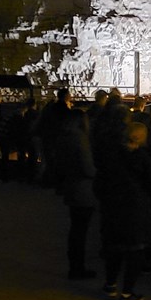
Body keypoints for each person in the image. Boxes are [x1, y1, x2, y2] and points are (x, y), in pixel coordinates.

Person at [94, 119, 151, 300]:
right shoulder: (143, 159)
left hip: (112, 209)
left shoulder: (110, 156)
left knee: (114, 248)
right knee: (135, 252)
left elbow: (99, 183)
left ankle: (110, 284)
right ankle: (128, 293)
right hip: (135, 211)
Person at [57, 108, 98, 279]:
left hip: (70, 186)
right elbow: (88, 168)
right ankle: (77, 268)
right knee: (80, 231)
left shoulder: (64, 137)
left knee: (76, 229)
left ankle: (75, 266)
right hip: (83, 190)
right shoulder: (80, 139)